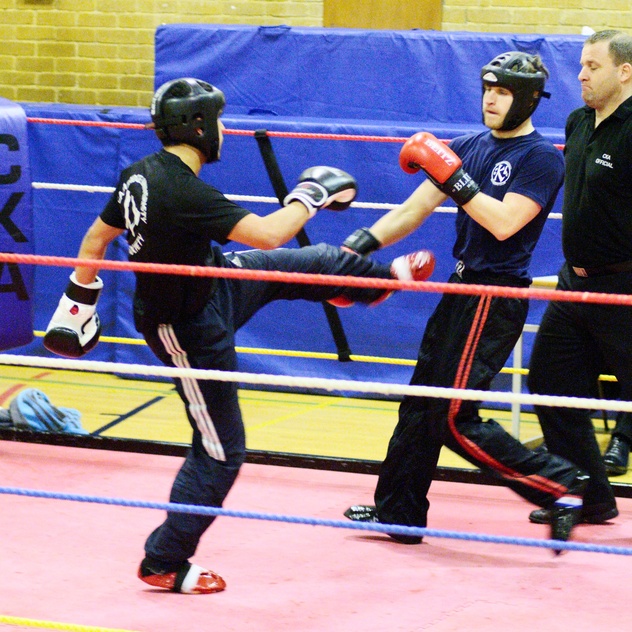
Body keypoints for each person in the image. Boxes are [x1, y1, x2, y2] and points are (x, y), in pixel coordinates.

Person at [42, 77, 436, 594]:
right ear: (199, 126)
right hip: (187, 330)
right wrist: (310, 195)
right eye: (220, 121)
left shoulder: (139, 175)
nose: (225, 130)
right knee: (221, 450)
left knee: (307, 262)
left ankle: (371, 284)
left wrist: (77, 305)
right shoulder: (184, 191)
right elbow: (270, 231)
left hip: (216, 281)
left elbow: (96, 238)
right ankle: (164, 560)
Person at [343, 51, 590, 548]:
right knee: (420, 405)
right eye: (488, 89)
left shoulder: (540, 158)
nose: (491, 100)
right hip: (460, 291)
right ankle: (399, 513)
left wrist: (456, 179)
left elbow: (504, 223)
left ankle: (560, 484)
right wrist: (356, 248)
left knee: (453, 417)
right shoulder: (470, 147)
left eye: (503, 92)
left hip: (493, 296)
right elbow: (414, 209)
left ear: (528, 100)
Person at [527, 29, 632, 524]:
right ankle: (590, 497)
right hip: (575, 284)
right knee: (551, 383)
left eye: (593, 66)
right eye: (582, 66)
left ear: (624, 72)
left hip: (625, 288)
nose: (581, 75)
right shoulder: (578, 122)